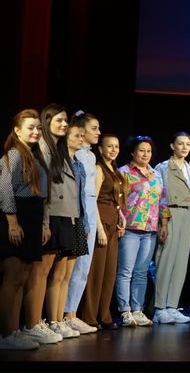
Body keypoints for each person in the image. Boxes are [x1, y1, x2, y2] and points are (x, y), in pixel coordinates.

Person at [34, 105, 87, 339]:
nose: (64, 124)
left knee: (61, 274)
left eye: (66, 120)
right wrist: (45, 222)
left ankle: (55, 321)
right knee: (42, 273)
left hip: (68, 216)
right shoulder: (43, 148)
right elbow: (45, 191)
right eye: (59, 120)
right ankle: (36, 323)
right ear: (46, 121)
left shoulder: (59, 150)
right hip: (53, 215)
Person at [0, 109, 49, 349]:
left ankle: (14, 330)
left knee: (22, 277)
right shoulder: (14, 154)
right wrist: (12, 222)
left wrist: (42, 223)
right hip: (17, 216)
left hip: (31, 216)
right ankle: (5, 334)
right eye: (30, 127)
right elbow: (5, 189)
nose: (36, 131)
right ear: (17, 130)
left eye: (38, 128)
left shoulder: (33, 155)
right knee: (12, 276)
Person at [153, 132, 190, 324]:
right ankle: (159, 308)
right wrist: (162, 222)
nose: (184, 147)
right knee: (165, 262)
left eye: (187, 144)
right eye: (180, 144)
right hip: (171, 215)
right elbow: (160, 196)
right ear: (172, 146)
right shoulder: (163, 168)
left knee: (181, 265)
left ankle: (172, 306)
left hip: (187, 216)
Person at [117, 136, 166, 327]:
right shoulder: (124, 172)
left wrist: (164, 224)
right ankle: (124, 310)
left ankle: (138, 310)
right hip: (130, 228)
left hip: (150, 229)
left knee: (141, 272)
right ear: (132, 152)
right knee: (126, 272)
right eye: (141, 150)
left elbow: (162, 201)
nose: (145, 154)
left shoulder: (156, 174)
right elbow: (118, 201)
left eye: (149, 151)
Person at [80, 134, 125, 330]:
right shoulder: (99, 169)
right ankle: (89, 317)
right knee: (96, 273)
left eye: (116, 146)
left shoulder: (115, 171)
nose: (113, 150)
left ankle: (104, 315)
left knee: (109, 273)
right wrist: (99, 228)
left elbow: (117, 200)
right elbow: (93, 200)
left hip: (114, 225)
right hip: (102, 225)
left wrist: (121, 217)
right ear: (101, 149)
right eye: (109, 146)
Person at [63, 111, 101, 335]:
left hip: (89, 211)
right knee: (72, 265)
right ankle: (64, 314)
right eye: (94, 128)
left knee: (83, 267)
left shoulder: (91, 156)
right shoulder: (74, 154)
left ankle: (71, 313)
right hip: (76, 209)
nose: (98, 132)